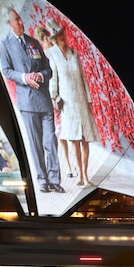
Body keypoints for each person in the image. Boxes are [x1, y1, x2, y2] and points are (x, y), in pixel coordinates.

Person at [0, 7, 63, 193]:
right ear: (9, 23)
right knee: (35, 143)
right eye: (16, 20)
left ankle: (54, 179)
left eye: (20, 19)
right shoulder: (5, 44)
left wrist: (40, 76)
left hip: (43, 100)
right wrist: (25, 77)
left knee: (50, 141)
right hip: (27, 103)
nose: (20, 22)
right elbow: (7, 71)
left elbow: (48, 69)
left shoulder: (34, 42)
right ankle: (42, 180)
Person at [45, 17, 99, 187]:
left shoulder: (74, 52)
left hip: (81, 99)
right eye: (59, 35)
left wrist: (89, 99)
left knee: (85, 139)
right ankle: (79, 175)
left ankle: (85, 174)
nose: (63, 36)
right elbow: (53, 78)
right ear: (54, 37)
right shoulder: (52, 54)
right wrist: (54, 97)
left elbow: (83, 78)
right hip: (67, 103)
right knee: (74, 139)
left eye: (63, 33)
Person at [36, 24, 76, 180]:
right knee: (62, 135)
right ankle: (67, 165)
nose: (47, 40)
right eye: (44, 38)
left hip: (63, 97)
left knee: (70, 132)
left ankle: (74, 164)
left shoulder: (56, 53)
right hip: (51, 101)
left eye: (48, 37)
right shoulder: (41, 58)